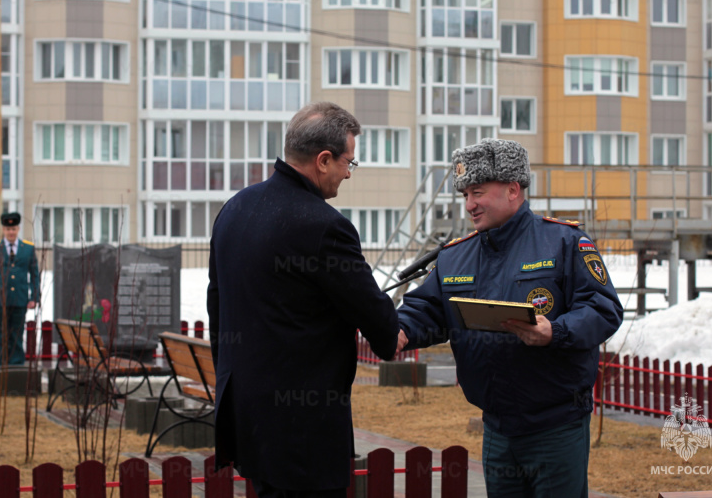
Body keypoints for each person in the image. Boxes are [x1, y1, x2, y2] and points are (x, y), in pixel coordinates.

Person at [396, 139, 623, 497]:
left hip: (555, 427)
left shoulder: (564, 242)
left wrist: (556, 332)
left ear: (513, 190)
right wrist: (401, 330)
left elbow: (603, 309)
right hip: (498, 429)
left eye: (478, 192)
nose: (470, 205)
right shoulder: (456, 256)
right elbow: (427, 310)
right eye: (466, 195)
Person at [207, 102, 400, 497]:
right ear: (324, 160)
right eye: (349, 162)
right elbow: (381, 327)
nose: (349, 172)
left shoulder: (234, 208)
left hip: (247, 422)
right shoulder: (325, 226)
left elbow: (218, 309)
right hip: (302, 438)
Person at [0, 212, 40, 366]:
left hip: (20, 300)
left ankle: (16, 367)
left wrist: (34, 297)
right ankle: (1, 367)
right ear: (3, 230)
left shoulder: (28, 249)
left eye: (13, 229)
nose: (11, 232)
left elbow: (34, 275)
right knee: (1, 336)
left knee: (17, 336)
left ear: (18, 229)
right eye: (8, 229)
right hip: (0, 301)